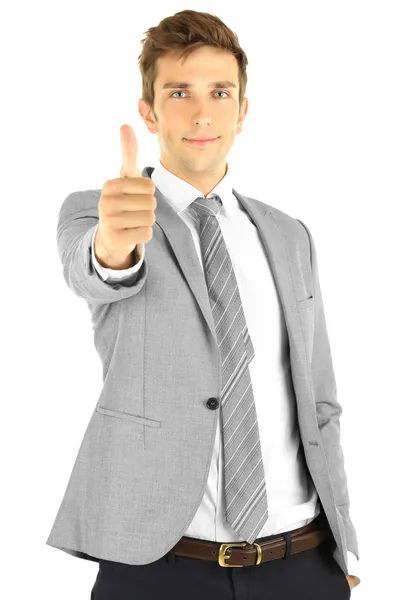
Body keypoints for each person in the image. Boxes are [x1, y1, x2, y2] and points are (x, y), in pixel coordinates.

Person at [46, 9, 361, 598]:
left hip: (301, 561)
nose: (201, 112)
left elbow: (320, 401)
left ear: (242, 111)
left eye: (220, 92)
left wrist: (343, 537)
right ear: (149, 110)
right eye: (179, 92)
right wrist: (113, 245)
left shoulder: (290, 234)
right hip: (159, 567)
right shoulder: (98, 210)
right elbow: (96, 271)